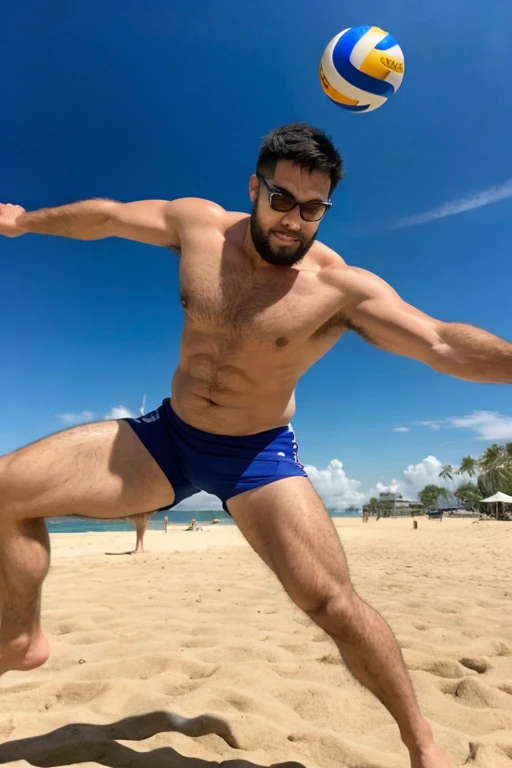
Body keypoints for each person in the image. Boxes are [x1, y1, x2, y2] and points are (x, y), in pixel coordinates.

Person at [1, 122, 510, 768]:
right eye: (281, 199)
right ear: (254, 186)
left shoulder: (338, 289)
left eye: (313, 208)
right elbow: (104, 218)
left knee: (333, 602)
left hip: (256, 456)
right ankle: (19, 637)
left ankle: (422, 743)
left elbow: (439, 342)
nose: (294, 220)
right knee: (8, 487)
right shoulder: (198, 228)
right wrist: (23, 223)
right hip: (170, 438)